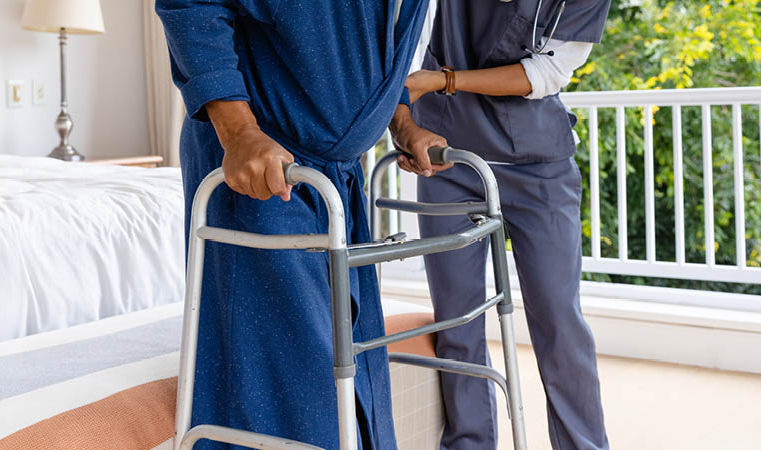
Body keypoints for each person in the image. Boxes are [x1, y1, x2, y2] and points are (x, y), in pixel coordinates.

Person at [156, 1, 430, 449]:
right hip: (264, 168)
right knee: (293, 386)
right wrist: (239, 131)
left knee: (349, 369)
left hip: (335, 178)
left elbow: (376, 45)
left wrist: (400, 122)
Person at [390, 1, 612, 449]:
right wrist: (406, 126)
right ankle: (469, 443)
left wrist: (443, 80)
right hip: (449, 157)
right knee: (457, 317)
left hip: (538, 163)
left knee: (558, 319)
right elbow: (406, 44)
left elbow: (546, 73)